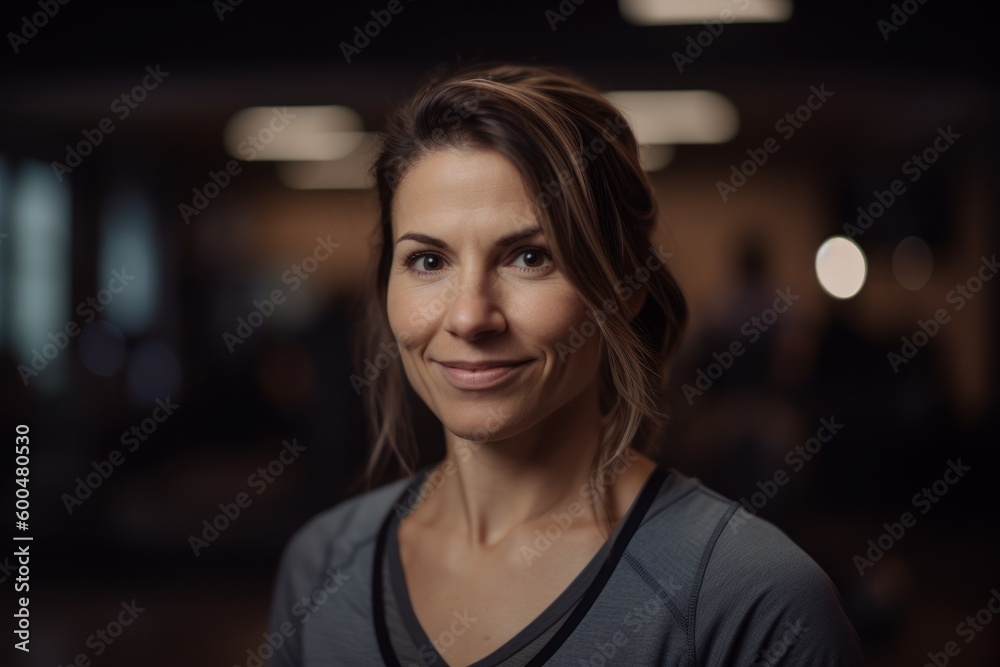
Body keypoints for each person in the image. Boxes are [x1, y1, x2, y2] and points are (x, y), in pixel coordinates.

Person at [265, 62, 867, 666]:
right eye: (428, 262)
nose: (471, 317)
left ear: (626, 287)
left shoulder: (755, 603)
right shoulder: (321, 565)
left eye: (529, 256)